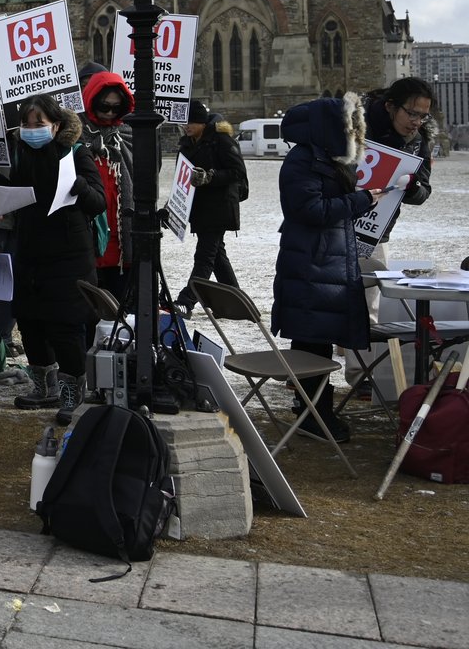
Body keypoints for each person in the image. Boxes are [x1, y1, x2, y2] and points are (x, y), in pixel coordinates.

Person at [270, 93, 383, 444]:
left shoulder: (323, 158)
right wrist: (361, 200)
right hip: (312, 260)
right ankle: (315, 414)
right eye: (351, 126)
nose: (355, 132)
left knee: (314, 336)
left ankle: (314, 411)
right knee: (312, 338)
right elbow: (312, 211)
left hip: (321, 259)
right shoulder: (303, 161)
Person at [0, 94, 106, 426]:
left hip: (69, 255)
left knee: (65, 324)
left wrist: (80, 187)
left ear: (55, 125)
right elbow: (15, 195)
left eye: (39, 124)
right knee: (30, 320)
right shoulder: (18, 154)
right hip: (30, 252)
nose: (32, 130)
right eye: (27, 124)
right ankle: (43, 385)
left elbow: (98, 201)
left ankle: (72, 389)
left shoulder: (75, 152)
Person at [176, 99, 247, 311]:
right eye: (185, 122)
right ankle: (237, 301)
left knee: (204, 257)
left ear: (203, 123)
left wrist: (210, 177)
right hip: (199, 209)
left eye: (192, 122)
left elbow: (238, 172)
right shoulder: (186, 144)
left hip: (219, 208)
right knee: (217, 257)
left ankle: (186, 301)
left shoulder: (221, 140)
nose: (187, 125)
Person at [360, 77, 435, 264]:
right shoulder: (355, 125)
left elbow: (423, 191)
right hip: (333, 227)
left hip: (375, 233)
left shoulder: (417, 141)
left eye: (423, 116)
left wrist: (413, 187)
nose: (417, 122)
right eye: (412, 114)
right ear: (390, 106)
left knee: (370, 291)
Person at [79, 71, 135, 308]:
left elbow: (144, 177)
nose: (110, 113)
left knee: (118, 308)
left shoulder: (127, 135)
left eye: (116, 108)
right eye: (104, 106)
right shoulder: (74, 134)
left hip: (120, 242)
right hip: (86, 238)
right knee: (89, 308)